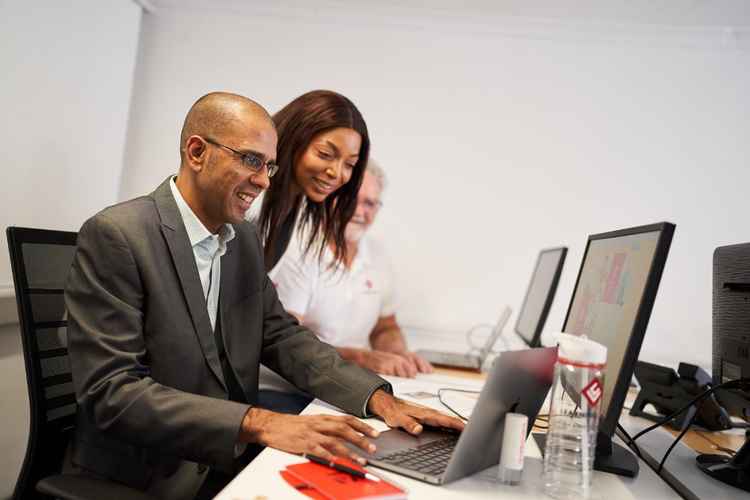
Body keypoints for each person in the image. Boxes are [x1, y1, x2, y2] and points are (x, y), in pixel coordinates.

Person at [61, 92, 464, 499]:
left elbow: (280, 335)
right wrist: (262, 422)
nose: (265, 180)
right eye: (251, 160)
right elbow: (112, 393)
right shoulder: (119, 235)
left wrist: (378, 398)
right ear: (197, 151)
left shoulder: (242, 239)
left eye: (269, 166)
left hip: (219, 460)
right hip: (146, 475)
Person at [258, 162, 434, 414]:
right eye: (353, 199)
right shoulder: (296, 249)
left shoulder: (377, 253)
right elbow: (286, 346)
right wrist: (362, 358)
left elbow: (385, 326)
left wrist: (396, 351)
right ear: (331, 198)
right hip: (286, 390)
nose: (360, 211)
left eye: (370, 203)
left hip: (348, 385)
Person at [251, 89, 368, 272]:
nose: (336, 173)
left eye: (350, 164)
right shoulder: (251, 198)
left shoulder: (299, 207)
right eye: (325, 154)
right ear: (295, 139)